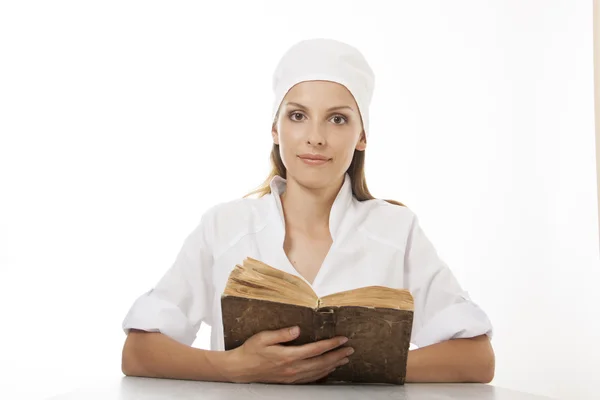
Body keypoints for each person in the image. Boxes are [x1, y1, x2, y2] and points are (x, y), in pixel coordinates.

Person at [120, 38, 495, 384]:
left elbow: (477, 358)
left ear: (362, 135)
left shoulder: (397, 231)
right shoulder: (224, 226)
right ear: (275, 128)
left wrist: (353, 364)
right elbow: (138, 353)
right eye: (298, 116)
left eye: (337, 119)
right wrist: (235, 367)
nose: (316, 136)